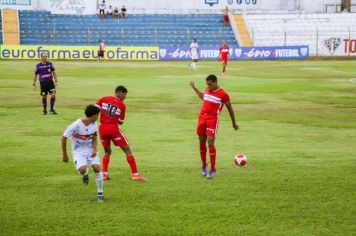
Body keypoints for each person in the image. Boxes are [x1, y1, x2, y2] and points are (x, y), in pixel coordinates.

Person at [189, 75, 239, 179]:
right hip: (202, 118)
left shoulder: (223, 94)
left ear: (216, 82)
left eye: (210, 85)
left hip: (212, 119)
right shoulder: (207, 89)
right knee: (201, 141)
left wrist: (234, 123)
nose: (209, 87)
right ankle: (204, 165)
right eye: (207, 85)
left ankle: (212, 169)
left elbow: (230, 109)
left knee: (210, 142)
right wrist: (194, 88)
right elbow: (203, 97)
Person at [95, 86, 146, 181]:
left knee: (107, 151)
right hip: (113, 129)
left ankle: (104, 174)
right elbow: (121, 121)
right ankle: (135, 174)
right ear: (118, 92)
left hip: (102, 128)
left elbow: (94, 109)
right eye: (124, 94)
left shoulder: (103, 99)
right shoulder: (122, 105)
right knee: (127, 150)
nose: (125, 97)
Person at [62, 105, 104, 203]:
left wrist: (94, 149)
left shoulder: (94, 124)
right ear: (92, 115)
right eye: (97, 115)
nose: (98, 117)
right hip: (78, 151)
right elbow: (64, 138)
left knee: (97, 168)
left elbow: (94, 137)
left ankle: (100, 193)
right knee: (82, 169)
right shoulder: (75, 125)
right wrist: (65, 154)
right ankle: (85, 174)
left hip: (90, 149)